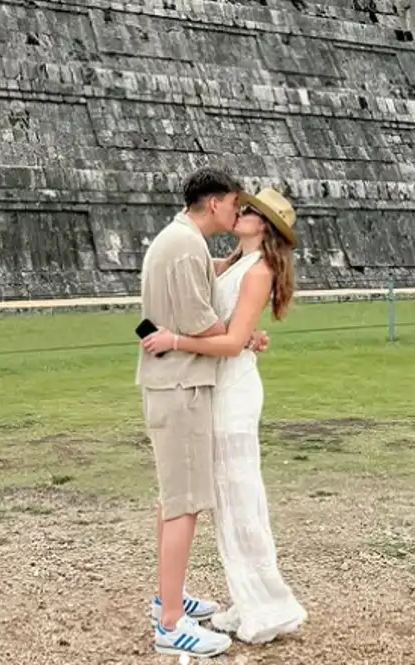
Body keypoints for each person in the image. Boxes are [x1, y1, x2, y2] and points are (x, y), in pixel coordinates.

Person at [141, 187, 307, 646]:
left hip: (231, 390)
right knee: (222, 499)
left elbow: (230, 342)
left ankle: (264, 600)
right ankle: (237, 596)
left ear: (265, 227)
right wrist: (243, 334)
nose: (242, 212)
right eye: (242, 206)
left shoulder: (260, 270)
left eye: (251, 211)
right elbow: (198, 300)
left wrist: (175, 340)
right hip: (214, 386)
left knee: (239, 496)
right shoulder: (231, 262)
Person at [137, 166, 248, 658]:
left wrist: (229, 263)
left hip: (173, 382)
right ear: (213, 202)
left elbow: (184, 296)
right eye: (233, 203)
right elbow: (199, 320)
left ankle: (169, 596)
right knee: (183, 503)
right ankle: (169, 622)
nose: (237, 211)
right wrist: (240, 337)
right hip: (181, 385)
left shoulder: (181, 241)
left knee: (172, 499)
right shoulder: (183, 246)